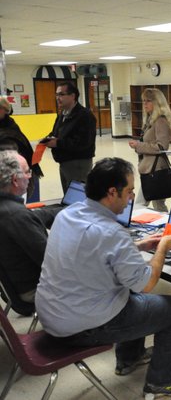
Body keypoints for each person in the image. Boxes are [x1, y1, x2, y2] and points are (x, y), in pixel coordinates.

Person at [35, 157, 171, 398]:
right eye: (130, 191)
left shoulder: (68, 213)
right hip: (80, 328)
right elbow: (146, 284)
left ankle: (129, 359)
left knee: (125, 288)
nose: (132, 197)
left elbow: (95, 252)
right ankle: (164, 381)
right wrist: (162, 247)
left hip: (51, 313)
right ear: (112, 192)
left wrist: (139, 246)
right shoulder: (112, 233)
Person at [0, 150, 60, 302]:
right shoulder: (17, 216)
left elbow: (35, 216)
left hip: (15, 285)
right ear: (15, 180)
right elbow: (53, 262)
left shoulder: (8, 209)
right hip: (34, 290)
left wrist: (65, 210)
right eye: (27, 172)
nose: (30, 176)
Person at [44, 82, 97, 193]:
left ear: (73, 96)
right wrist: (49, 138)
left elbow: (84, 143)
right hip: (65, 162)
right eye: (57, 95)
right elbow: (58, 132)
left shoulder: (85, 115)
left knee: (76, 198)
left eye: (61, 94)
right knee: (68, 196)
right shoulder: (63, 114)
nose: (58, 98)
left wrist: (57, 143)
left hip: (78, 164)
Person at [129, 88, 171, 212]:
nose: (145, 104)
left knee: (143, 205)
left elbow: (161, 147)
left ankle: (167, 228)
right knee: (156, 205)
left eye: (148, 101)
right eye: (143, 101)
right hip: (149, 168)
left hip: (156, 170)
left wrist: (139, 145)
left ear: (157, 102)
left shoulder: (160, 121)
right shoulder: (151, 121)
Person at [0, 96, 43, 202]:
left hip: (17, 182)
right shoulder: (8, 125)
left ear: (2, 110)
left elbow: (7, 163)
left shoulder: (7, 133)